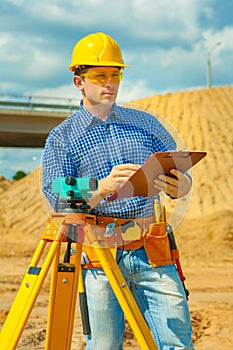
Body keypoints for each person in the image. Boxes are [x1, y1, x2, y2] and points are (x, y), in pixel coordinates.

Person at [42, 32, 194, 350]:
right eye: (100, 76)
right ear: (78, 81)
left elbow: (180, 172)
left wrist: (181, 186)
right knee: (104, 346)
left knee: (177, 344)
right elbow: (55, 193)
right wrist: (101, 188)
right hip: (99, 254)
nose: (110, 83)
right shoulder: (62, 137)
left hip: (153, 250)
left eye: (115, 75)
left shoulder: (147, 125)